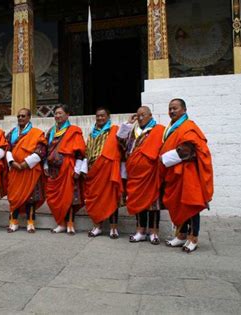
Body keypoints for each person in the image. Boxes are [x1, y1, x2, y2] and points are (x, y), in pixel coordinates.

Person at [161, 98, 213, 253]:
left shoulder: (188, 127)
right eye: (170, 108)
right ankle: (182, 235)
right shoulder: (173, 127)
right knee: (178, 203)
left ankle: (193, 238)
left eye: (175, 108)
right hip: (176, 174)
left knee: (191, 205)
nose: (171, 111)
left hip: (188, 172)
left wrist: (164, 159)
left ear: (184, 110)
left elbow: (188, 150)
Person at [117, 106, 165, 244]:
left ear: (150, 115)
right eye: (138, 115)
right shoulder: (134, 131)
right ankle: (140, 231)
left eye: (143, 114)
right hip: (135, 174)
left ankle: (154, 232)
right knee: (139, 202)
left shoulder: (158, 130)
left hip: (151, 173)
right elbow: (121, 142)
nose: (140, 117)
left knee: (153, 205)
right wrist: (128, 123)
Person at [45, 105, 85, 235]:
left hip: (68, 168)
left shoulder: (74, 130)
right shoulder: (51, 131)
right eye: (56, 113)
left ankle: (70, 223)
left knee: (69, 197)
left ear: (67, 115)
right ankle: (61, 223)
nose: (57, 116)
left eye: (60, 113)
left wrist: (78, 169)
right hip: (53, 171)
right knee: (53, 198)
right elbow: (46, 150)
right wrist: (45, 165)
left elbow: (80, 152)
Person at [82, 107, 123, 239]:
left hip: (108, 170)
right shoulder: (91, 134)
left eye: (103, 116)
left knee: (111, 199)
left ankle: (113, 228)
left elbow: (122, 143)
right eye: (98, 116)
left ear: (108, 117)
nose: (100, 118)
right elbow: (87, 151)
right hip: (94, 171)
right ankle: (97, 226)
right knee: (95, 200)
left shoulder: (114, 131)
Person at [6, 108, 47, 233]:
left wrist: (24, 164)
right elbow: (7, 148)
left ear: (29, 117)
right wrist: (12, 163)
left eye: (23, 116)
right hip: (14, 170)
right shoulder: (12, 133)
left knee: (30, 198)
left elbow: (41, 151)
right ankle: (13, 222)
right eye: (18, 116)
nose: (20, 118)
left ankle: (30, 222)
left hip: (30, 170)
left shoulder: (37, 133)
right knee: (14, 197)